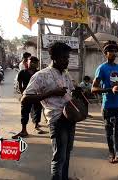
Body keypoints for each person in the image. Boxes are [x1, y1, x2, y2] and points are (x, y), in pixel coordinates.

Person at [21, 42, 76, 180]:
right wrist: (51, 93)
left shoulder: (65, 74)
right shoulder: (41, 75)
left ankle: (64, 177)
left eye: (68, 57)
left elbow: (71, 91)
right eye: (64, 58)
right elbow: (25, 99)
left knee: (67, 153)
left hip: (70, 118)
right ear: (54, 57)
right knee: (59, 156)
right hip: (57, 120)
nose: (67, 61)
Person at [91, 40, 118, 164]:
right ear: (106, 53)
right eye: (111, 51)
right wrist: (111, 89)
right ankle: (111, 154)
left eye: (115, 51)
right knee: (109, 132)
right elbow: (93, 89)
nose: (114, 53)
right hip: (108, 106)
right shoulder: (102, 68)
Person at [12, 56, 45, 139]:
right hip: (27, 95)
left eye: (35, 62)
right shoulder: (22, 72)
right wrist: (23, 93)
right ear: (27, 62)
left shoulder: (39, 73)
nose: (33, 64)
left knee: (37, 110)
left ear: (37, 64)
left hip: (37, 95)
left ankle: (36, 125)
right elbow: (20, 84)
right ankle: (24, 130)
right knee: (24, 112)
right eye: (31, 62)